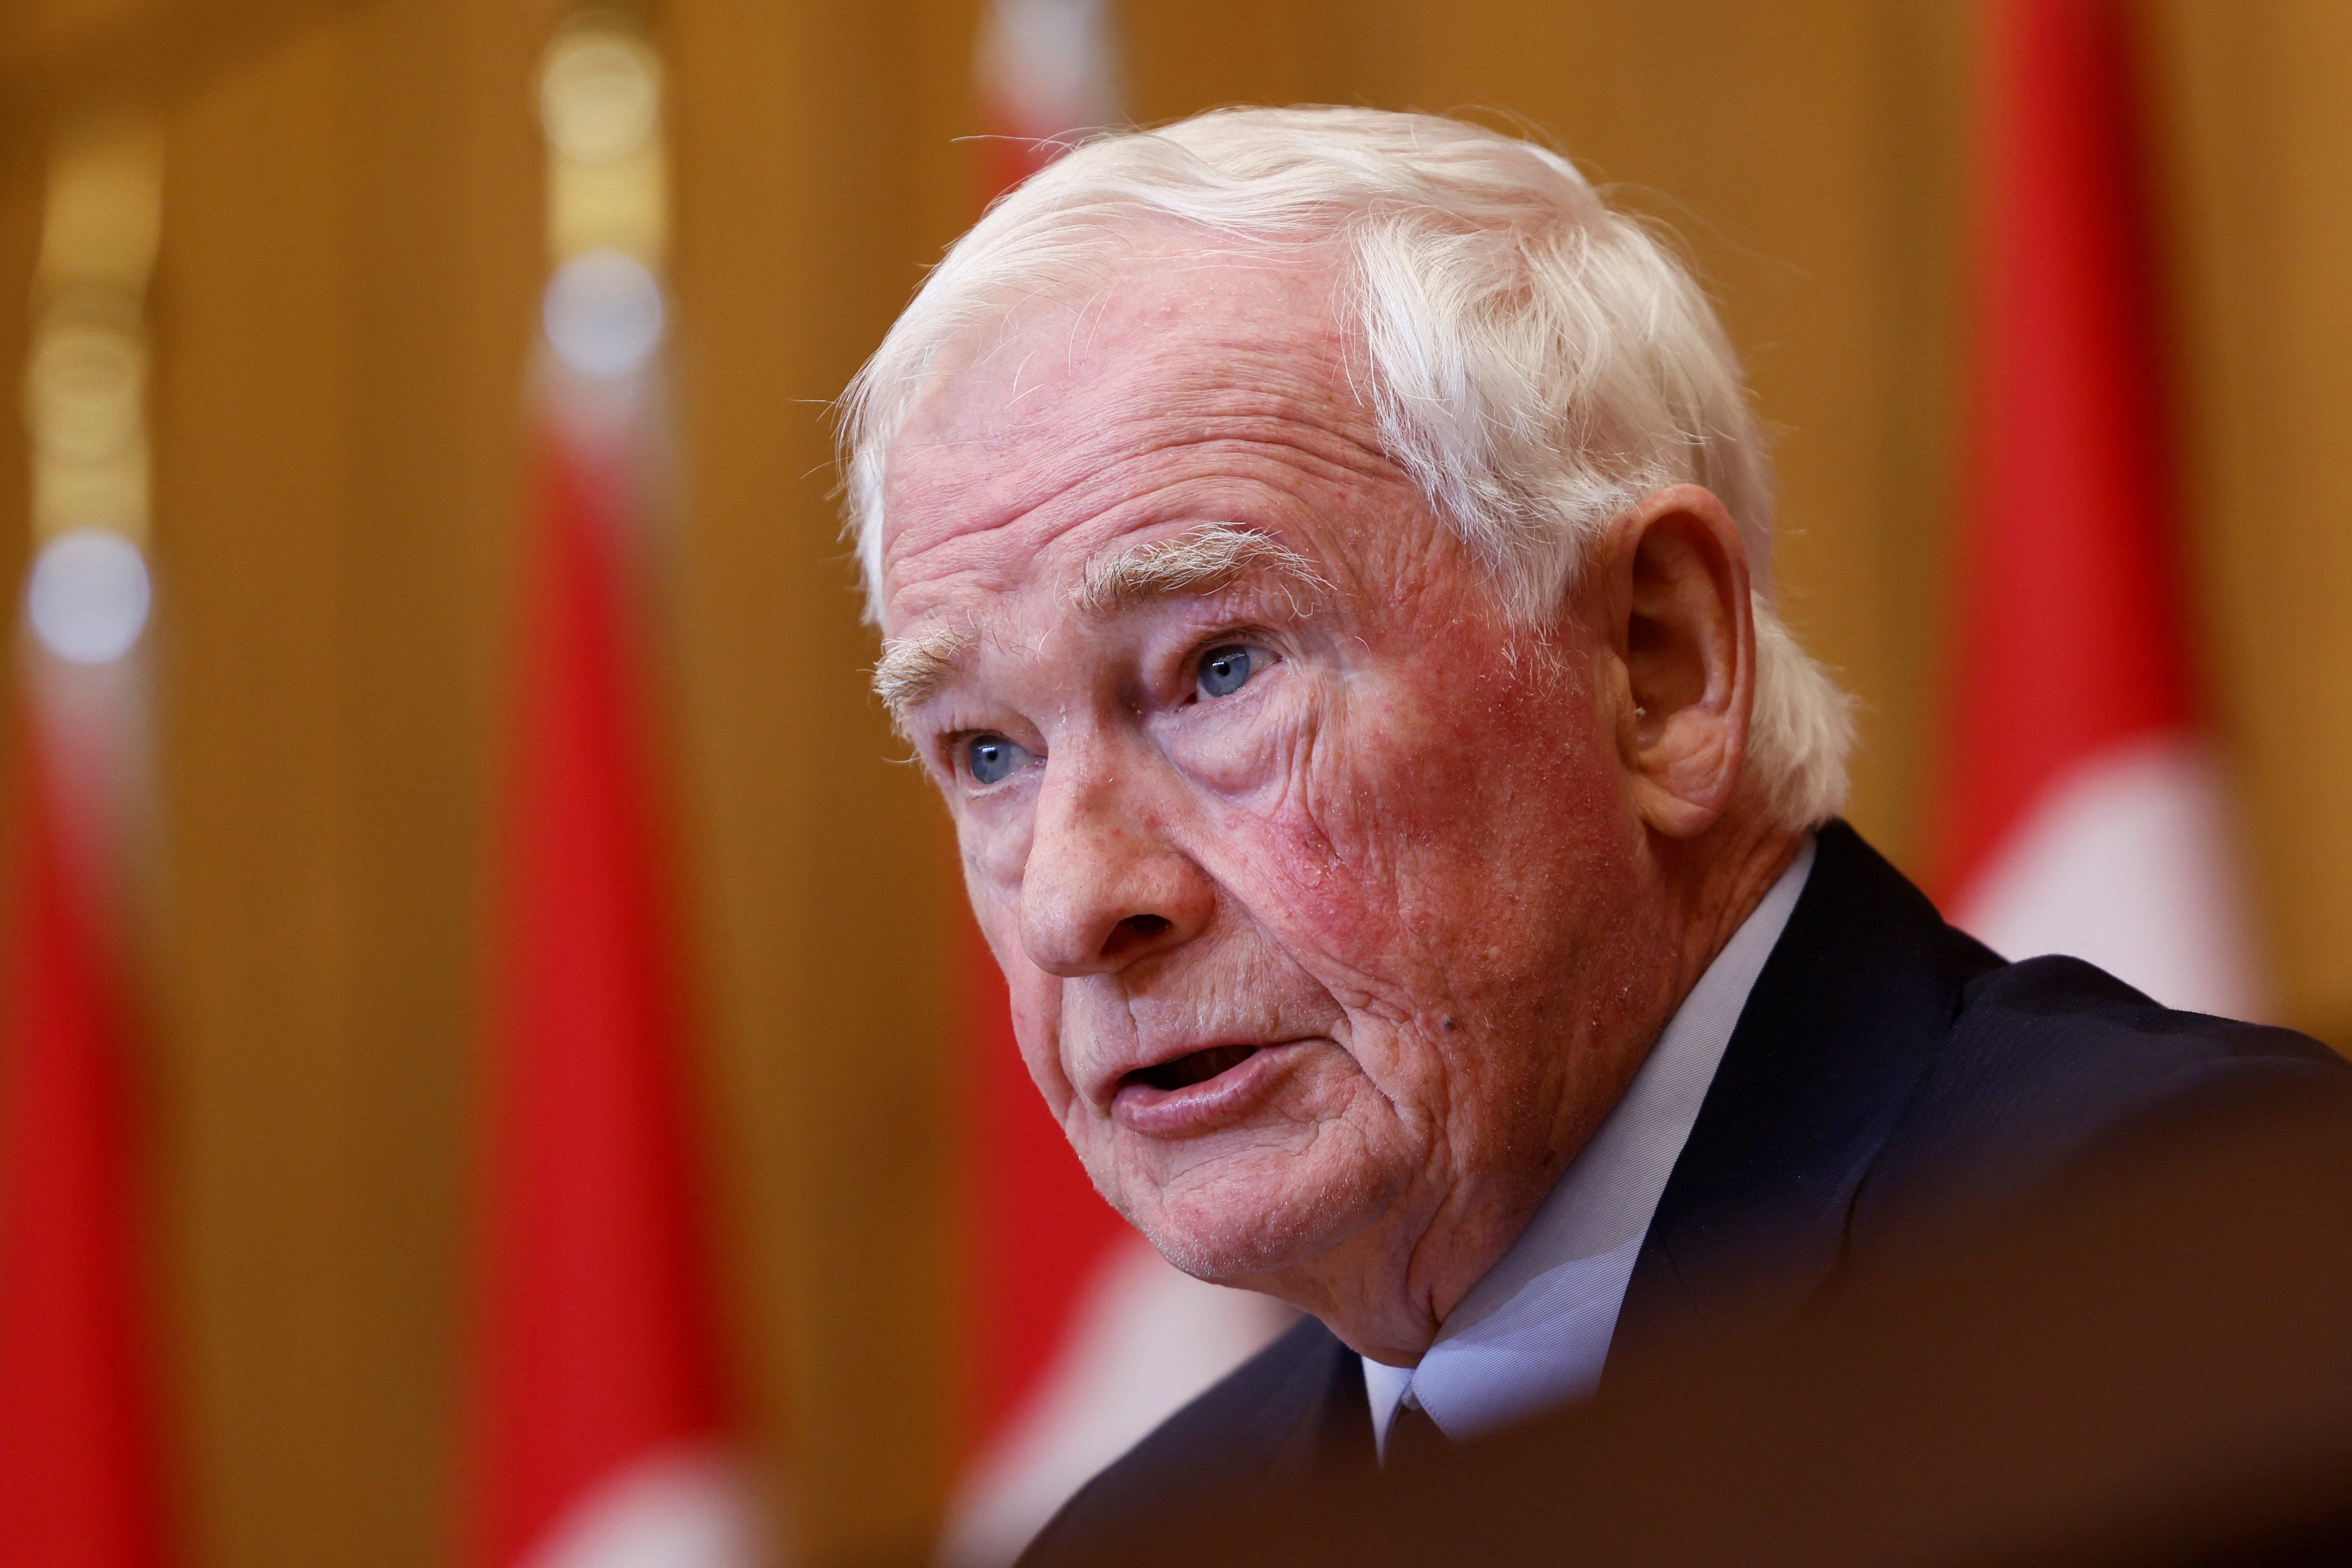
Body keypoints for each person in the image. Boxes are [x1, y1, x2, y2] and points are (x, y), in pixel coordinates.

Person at [836, 107, 2351, 1558]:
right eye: (987, 751)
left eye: (1218, 667)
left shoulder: (2188, 1288)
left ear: (1656, 663)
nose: (1076, 900)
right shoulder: (1151, 1538)